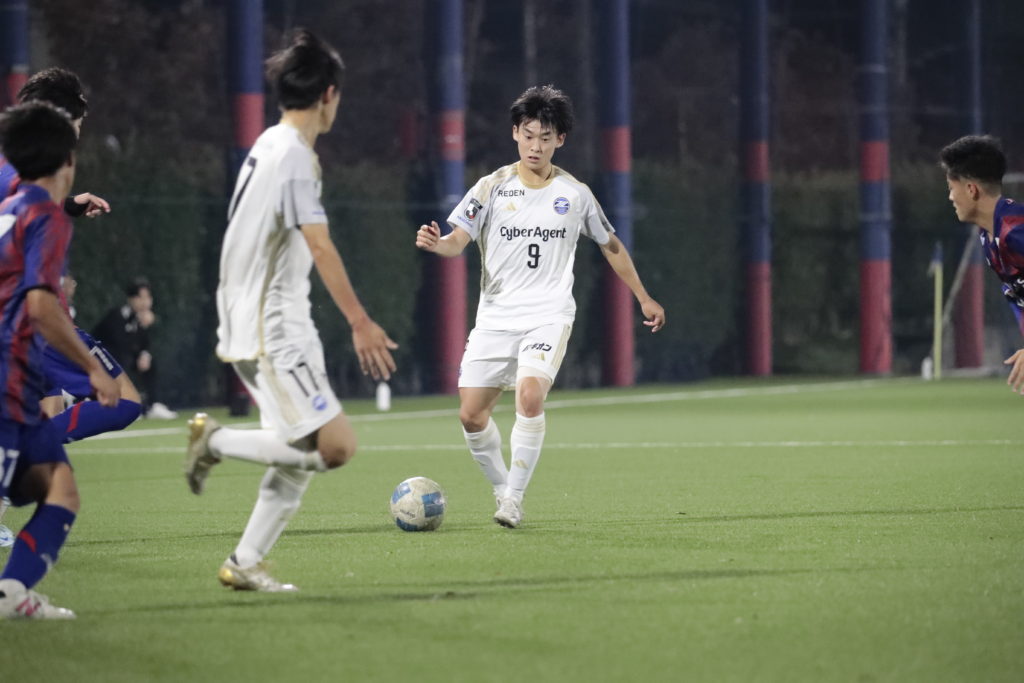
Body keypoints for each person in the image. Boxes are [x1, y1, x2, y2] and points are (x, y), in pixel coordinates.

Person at [184, 29, 398, 592]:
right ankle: (214, 441)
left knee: (298, 445)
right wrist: (360, 321)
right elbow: (319, 244)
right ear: (329, 95)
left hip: (266, 316)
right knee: (335, 446)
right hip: (274, 326)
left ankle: (245, 561)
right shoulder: (295, 157)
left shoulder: (268, 144)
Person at [415, 85, 665, 529]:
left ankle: (513, 499)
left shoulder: (575, 194)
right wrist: (438, 244)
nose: (535, 146)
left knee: (530, 396)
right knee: (471, 415)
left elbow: (610, 245)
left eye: (545, 138)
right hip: (496, 317)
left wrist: (643, 296)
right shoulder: (491, 187)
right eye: (528, 135)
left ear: (560, 140)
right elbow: (458, 240)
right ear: (515, 133)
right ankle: (501, 487)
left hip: (548, 315)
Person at [0, 102, 119, 619]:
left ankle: (11, 593)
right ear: (68, 160)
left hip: (18, 386)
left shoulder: (9, 209)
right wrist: (92, 369)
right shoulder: (44, 218)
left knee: (60, 491)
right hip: (8, 379)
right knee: (54, 490)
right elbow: (42, 306)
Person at [0, 67, 142, 442]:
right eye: (77, 124)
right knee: (123, 401)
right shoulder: (39, 186)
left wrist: (68, 205)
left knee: (47, 412)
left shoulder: (9, 168)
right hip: (28, 321)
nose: (78, 134)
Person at [940, 135, 1024, 393]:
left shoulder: (1014, 230)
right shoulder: (989, 237)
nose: (950, 197)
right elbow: (1017, 296)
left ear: (971, 189)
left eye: (951, 188)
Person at [93, 277, 177, 419]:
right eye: (140, 297)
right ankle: (126, 405)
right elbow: (119, 344)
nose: (145, 302)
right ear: (131, 299)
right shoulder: (117, 315)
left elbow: (145, 344)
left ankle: (152, 405)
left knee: (150, 363)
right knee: (123, 361)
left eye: (148, 297)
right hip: (103, 359)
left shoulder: (144, 318)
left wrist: (144, 354)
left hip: (125, 357)